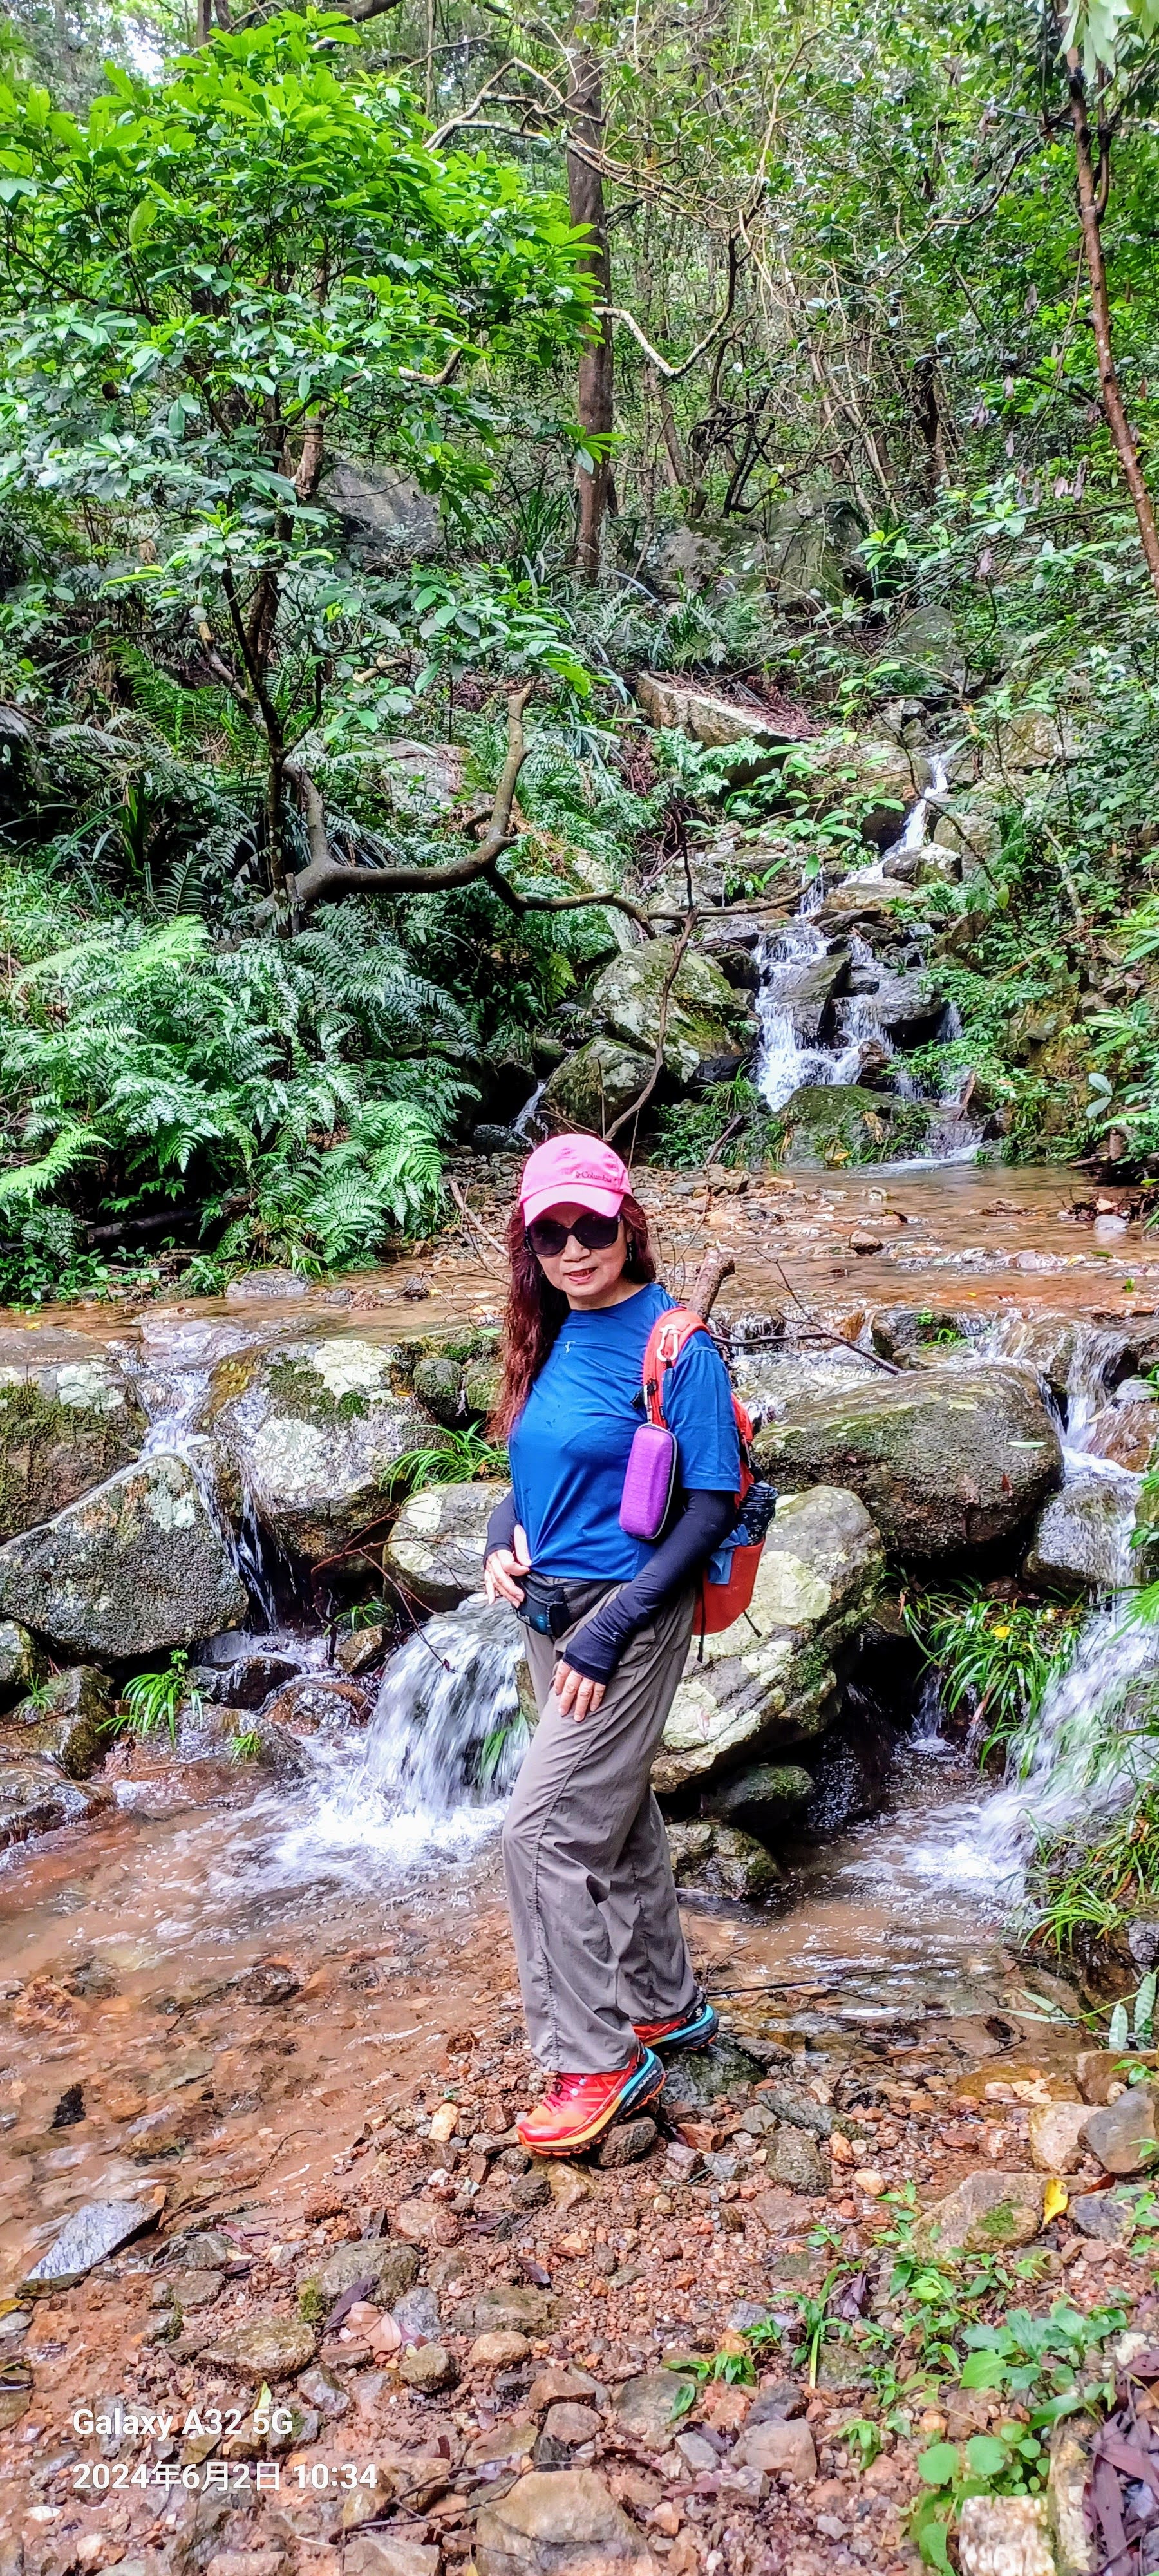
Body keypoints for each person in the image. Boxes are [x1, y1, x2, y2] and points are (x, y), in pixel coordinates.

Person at [483, 1132, 742, 2155]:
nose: (573, 1249)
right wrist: (498, 1537)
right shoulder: (550, 1331)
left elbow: (711, 1505)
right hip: (549, 1607)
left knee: (540, 1835)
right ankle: (663, 2005)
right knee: (615, 1812)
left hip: (625, 1616)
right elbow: (535, 1468)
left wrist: (612, 1632)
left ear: (626, 1223)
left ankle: (595, 2059)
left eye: (590, 1226)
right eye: (550, 1234)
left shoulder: (679, 1348)